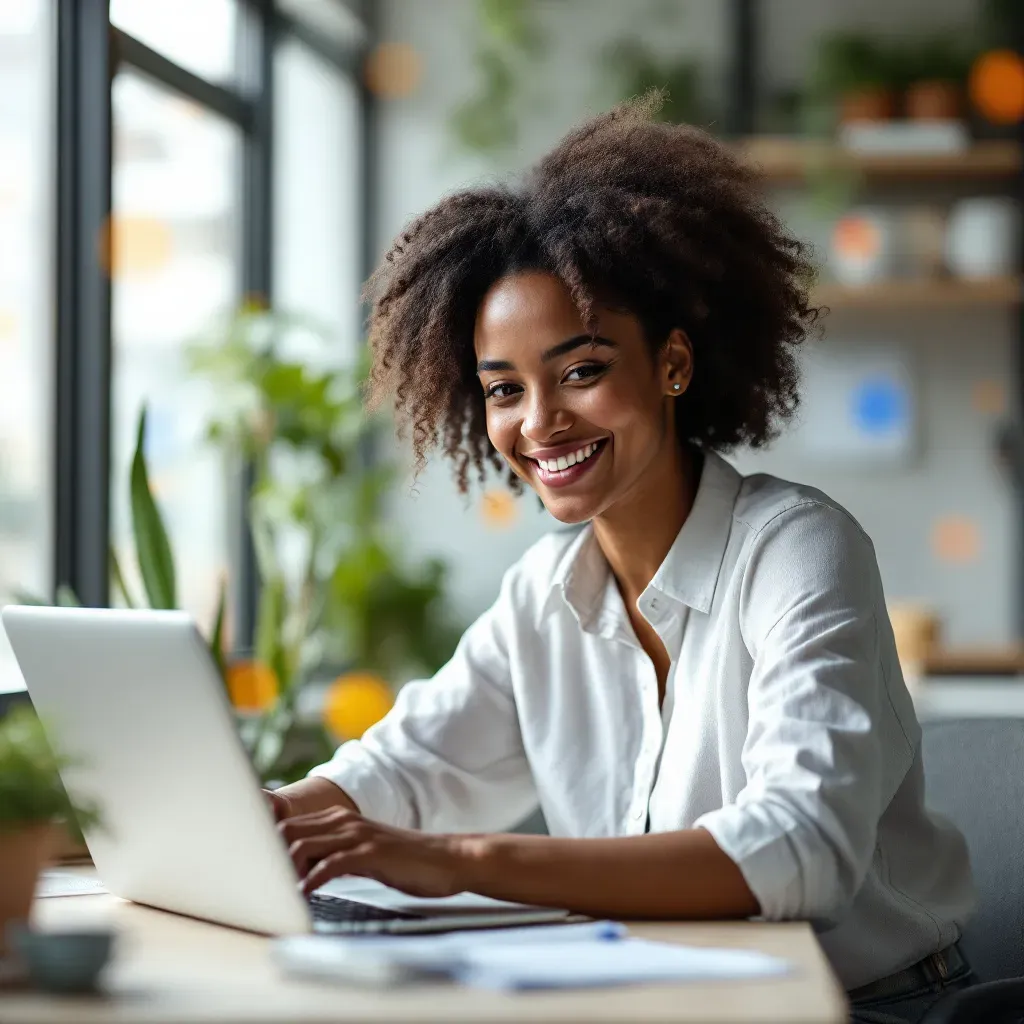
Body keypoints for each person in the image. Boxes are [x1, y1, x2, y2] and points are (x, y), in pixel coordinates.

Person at [268, 95, 975, 1022]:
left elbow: (802, 851)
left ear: (672, 364)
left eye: (582, 371)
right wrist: (258, 818)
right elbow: (402, 773)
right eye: (504, 390)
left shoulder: (800, 550)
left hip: (872, 1007)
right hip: (662, 1000)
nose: (539, 422)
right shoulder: (542, 597)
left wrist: (466, 863)